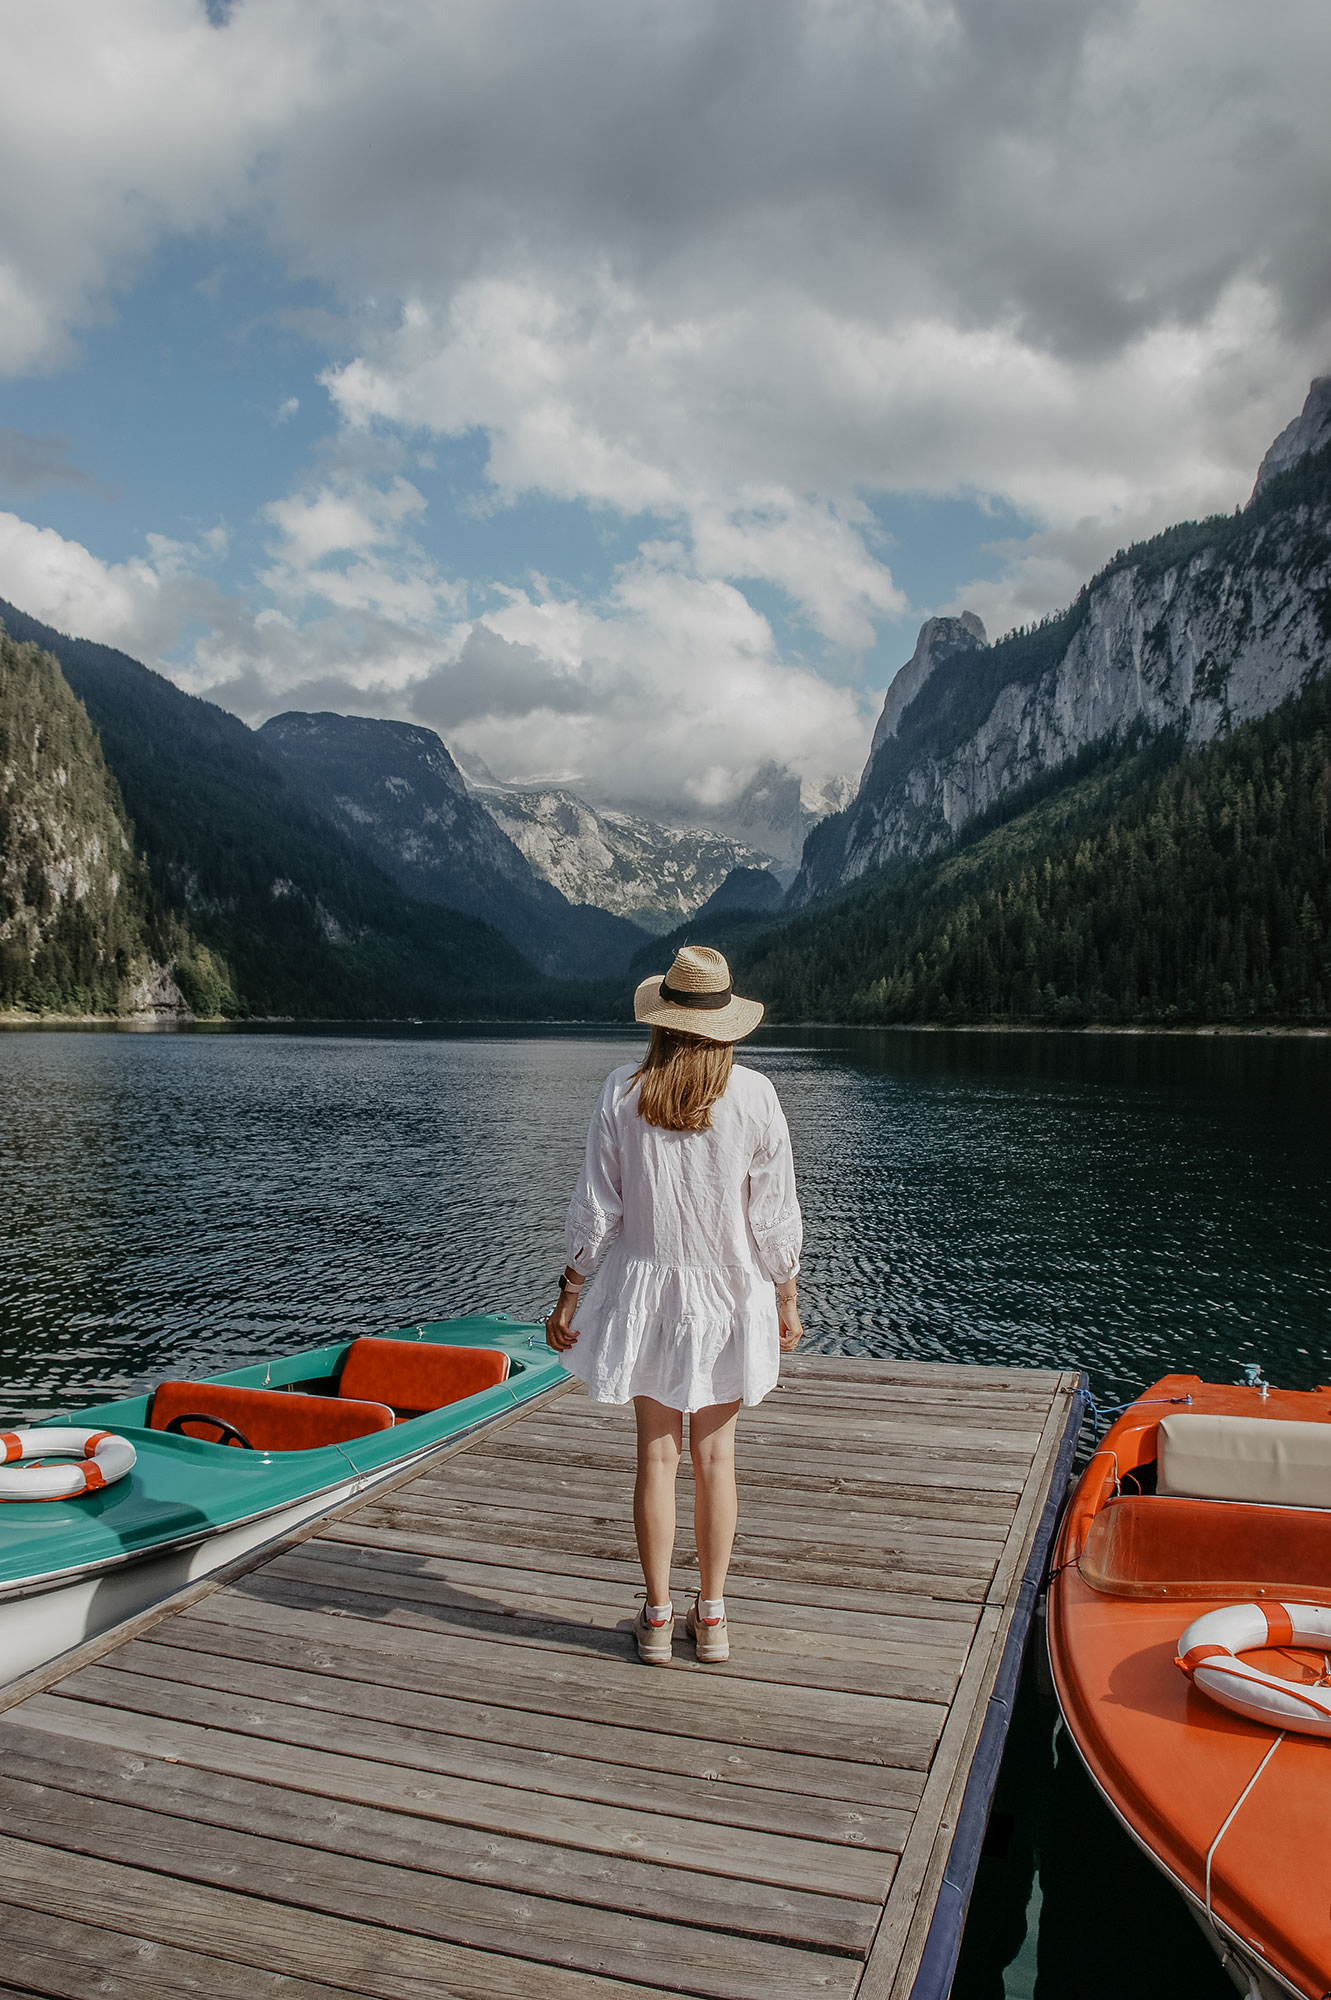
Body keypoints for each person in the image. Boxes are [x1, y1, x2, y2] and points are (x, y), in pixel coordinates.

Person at [544, 944, 803, 1665]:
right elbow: (773, 1216)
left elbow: (597, 1211)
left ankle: (656, 1619)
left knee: (655, 1459)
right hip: (728, 1292)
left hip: (645, 1293)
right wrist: (785, 1293)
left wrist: (569, 1293)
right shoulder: (755, 1095)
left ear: (660, 1017)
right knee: (715, 1459)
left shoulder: (621, 1092)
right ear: (726, 1020)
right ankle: (712, 1620)